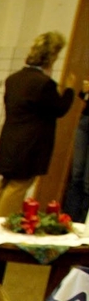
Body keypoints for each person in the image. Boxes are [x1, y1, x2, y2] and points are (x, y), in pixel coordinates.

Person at [0, 32, 76, 219]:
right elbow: (59, 109)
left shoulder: (14, 79)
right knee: (17, 187)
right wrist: (69, 89)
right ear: (51, 58)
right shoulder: (43, 84)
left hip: (10, 139)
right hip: (30, 144)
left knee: (5, 184)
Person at [66, 78, 89, 223]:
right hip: (86, 120)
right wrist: (85, 92)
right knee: (77, 173)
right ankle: (69, 219)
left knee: (88, 180)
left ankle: (82, 223)